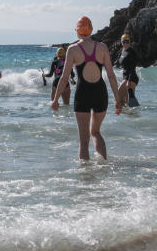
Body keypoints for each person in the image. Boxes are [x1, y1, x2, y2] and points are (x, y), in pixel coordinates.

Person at [51, 16, 122, 160]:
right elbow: (111, 75)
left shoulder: (73, 49)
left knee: (83, 141)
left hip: (82, 94)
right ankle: (103, 165)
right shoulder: (102, 47)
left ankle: (85, 177)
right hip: (100, 93)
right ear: (91, 30)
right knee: (95, 132)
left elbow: (65, 77)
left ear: (77, 31)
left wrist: (55, 99)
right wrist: (118, 99)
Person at [116, 33, 140, 106]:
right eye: (124, 42)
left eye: (127, 41)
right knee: (127, 104)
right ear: (121, 42)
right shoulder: (123, 50)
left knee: (118, 95)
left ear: (130, 42)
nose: (125, 43)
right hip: (125, 78)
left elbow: (132, 68)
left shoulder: (131, 52)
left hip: (131, 78)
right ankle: (129, 116)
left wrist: (128, 81)